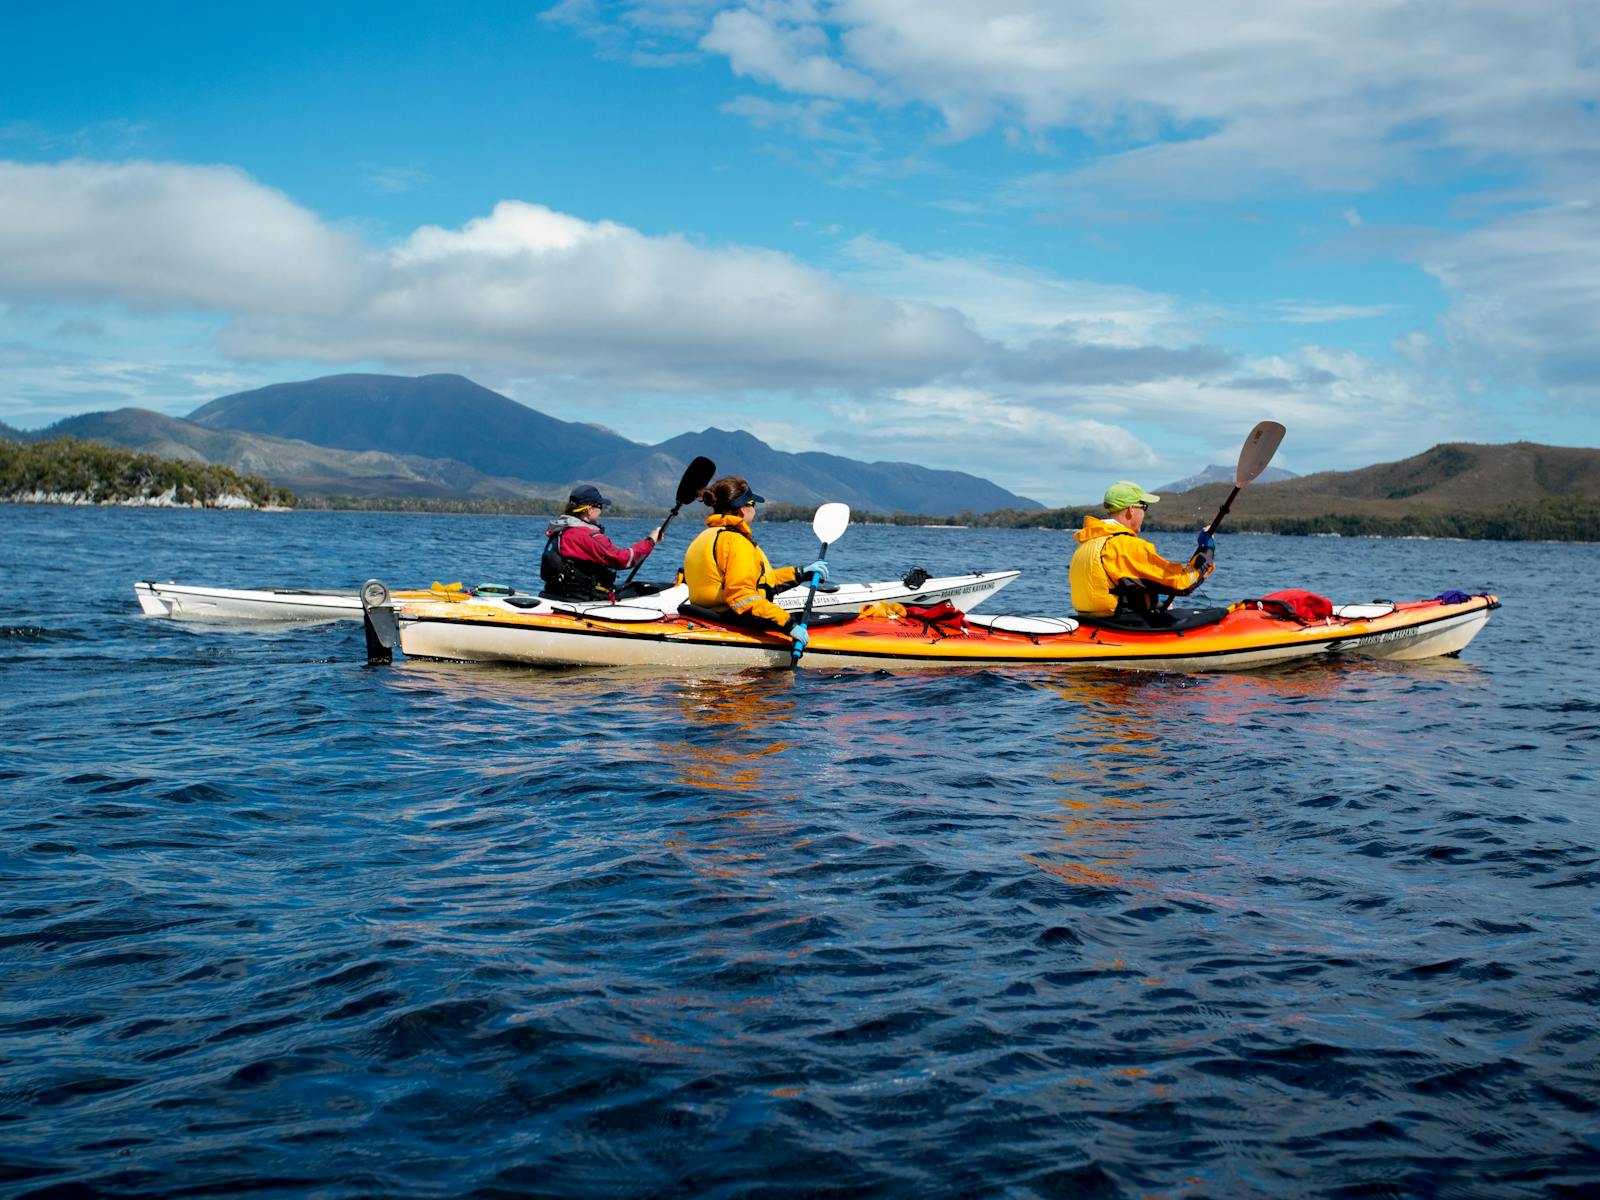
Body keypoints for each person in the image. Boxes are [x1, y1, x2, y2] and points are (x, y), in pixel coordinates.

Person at [681, 475, 830, 652]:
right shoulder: (736, 542)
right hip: (735, 619)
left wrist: (800, 573)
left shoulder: (705, 537)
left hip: (707, 614)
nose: (755, 510)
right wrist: (788, 625)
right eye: (753, 505)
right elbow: (743, 597)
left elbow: (760, 582)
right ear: (744, 509)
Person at [1070, 481, 1214, 619]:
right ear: (1131, 509)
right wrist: (1207, 550)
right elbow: (1183, 584)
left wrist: (1155, 598)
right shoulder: (1126, 545)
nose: (1144, 514)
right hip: (1124, 625)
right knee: (1212, 615)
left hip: (1092, 621)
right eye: (1144, 507)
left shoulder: (1086, 545)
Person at [540, 484, 663, 601]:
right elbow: (623, 559)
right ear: (589, 509)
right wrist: (650, 541)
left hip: (557, 593)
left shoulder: (561, 530)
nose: (601, 511)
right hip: (581, 599)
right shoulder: (585, 535)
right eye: (600, 506)